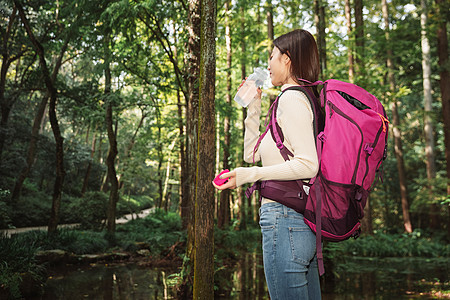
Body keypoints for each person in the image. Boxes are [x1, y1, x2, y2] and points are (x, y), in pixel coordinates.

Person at [212, 29, 322, 299]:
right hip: (296, 224)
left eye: (272, 56)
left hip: (286, 222)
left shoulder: (292, 99)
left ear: (287, 59)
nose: (268, 64)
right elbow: (252, 153)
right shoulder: (289, 101)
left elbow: (309, 165)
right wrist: (254, 106)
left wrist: (250, 176)